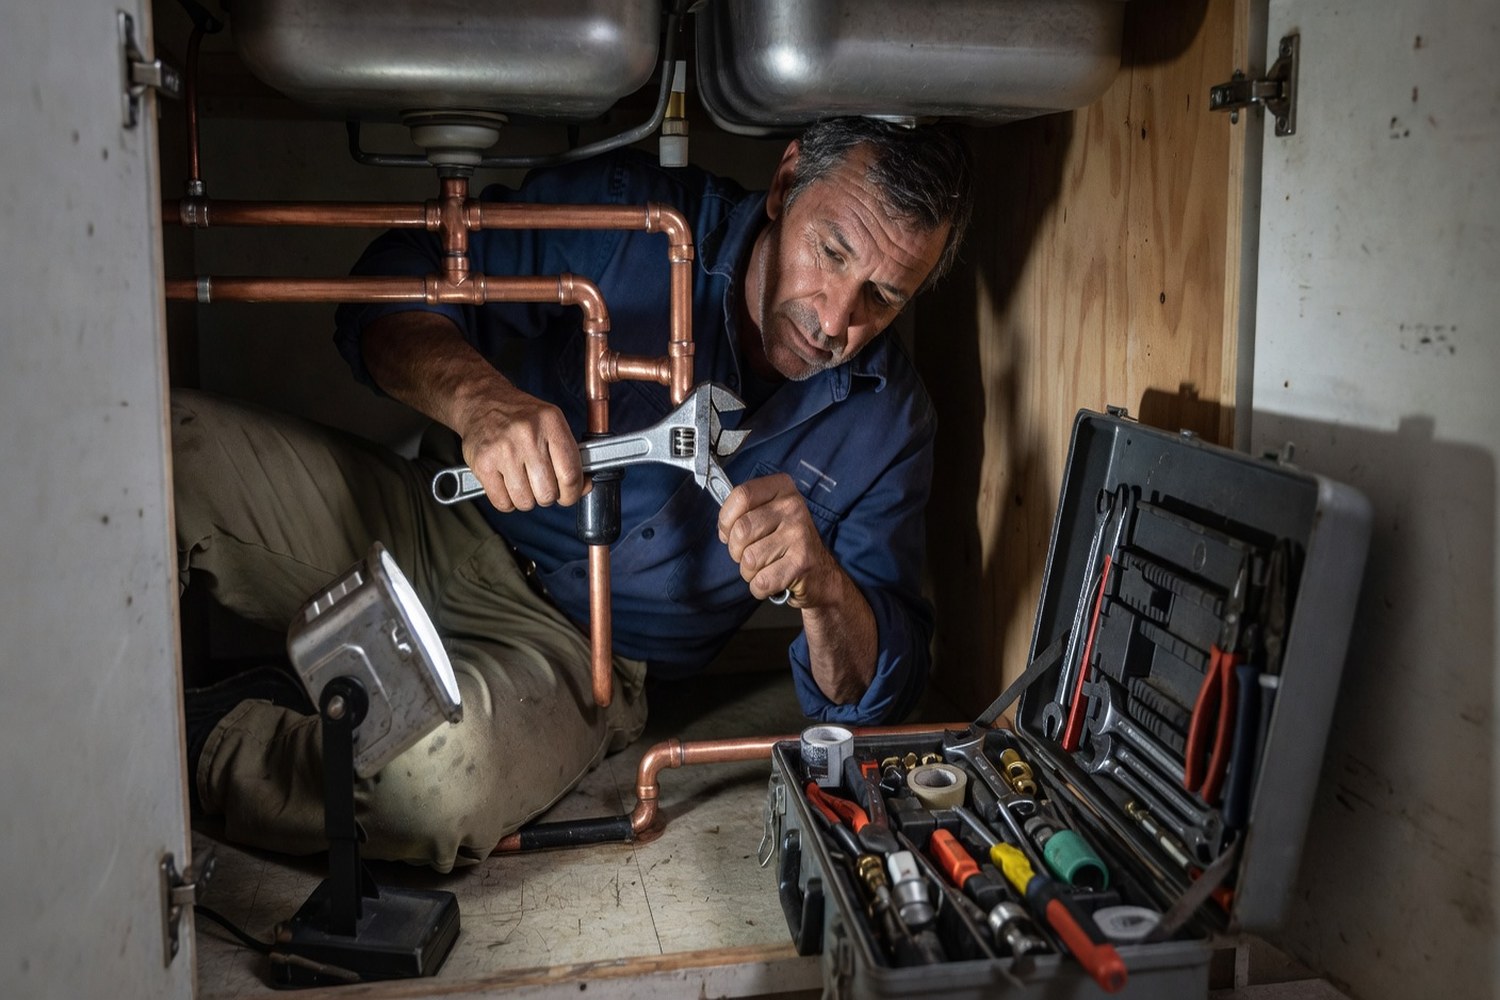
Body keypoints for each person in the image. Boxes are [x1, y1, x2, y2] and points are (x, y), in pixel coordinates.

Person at [176, 117, 973, 871]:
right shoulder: (638, 218)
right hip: (427, 519)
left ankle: (205, 735)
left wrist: (826, 589)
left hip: (580, 659)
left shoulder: (890, 423)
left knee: (429, 796)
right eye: (830, 253)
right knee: (169, 449)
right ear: (786, 182)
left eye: (885, 297)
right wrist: (476, 400)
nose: (837, 321)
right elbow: (387, 288)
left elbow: (874, 697)